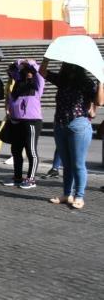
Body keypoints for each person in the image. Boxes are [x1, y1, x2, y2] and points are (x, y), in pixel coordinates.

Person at [40, 59, 104, 209]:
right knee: (66, 164)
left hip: (78, 125)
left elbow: (100, 102)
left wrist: (101, 81)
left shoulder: (86, 83)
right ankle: (67, 194)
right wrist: (46, 59)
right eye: (68, 65)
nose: (70, 69)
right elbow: (42, 72)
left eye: (73, 66)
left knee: (78, 164)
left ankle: (79, 196)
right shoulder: (62, 81)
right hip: (60, 124)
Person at [4, 60, 45, 189]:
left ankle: (31, 179)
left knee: (30, 150)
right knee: (16, 150)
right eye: (25, 71)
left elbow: (38, 70)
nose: (28, 73)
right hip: (16, 121)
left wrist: (28, 63)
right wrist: (19, 63)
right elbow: (12, 69)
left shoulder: (37, 85)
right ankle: (17, 177)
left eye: (30, 71)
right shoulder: (18, 85)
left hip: (32, 121)